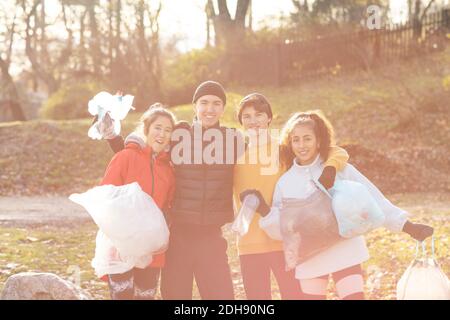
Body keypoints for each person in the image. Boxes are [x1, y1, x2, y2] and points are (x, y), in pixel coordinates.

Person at [245, 110, 434, 300]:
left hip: (345, 251)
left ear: (318, 141)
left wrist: (407, 226)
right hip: (310, 260)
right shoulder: (285, 182)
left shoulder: (337, 168)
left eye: (307, 139)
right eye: (296, 140)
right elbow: (284, 230)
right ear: (289, 143)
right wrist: (265, 211)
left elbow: (372, 198)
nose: (301, 145)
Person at [107, 81, 240, 299]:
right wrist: (115, 140)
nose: (210, 109)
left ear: (223, 108)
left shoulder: (232, 141)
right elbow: (146, 154)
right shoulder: (179, 136)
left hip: (212, 237)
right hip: (178, 236)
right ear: (195, 105)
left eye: (217, 103)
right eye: (204, 103)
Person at [234, 93, 350, 300]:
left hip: (286, 242)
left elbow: (334, 152)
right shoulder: (234, 154)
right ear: (240, 121)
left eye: (259, 115)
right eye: (247, 116)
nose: (253, 121)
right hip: (248, 244)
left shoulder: (284, 150)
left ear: (269, 118)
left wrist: (331, 168)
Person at [100, 104, 176, 299]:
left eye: (168, 130)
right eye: (158, 128)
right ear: (146, 129)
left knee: (145, 297)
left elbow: (169, 204)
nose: (162, 134)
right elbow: (107, 195)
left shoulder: (168, 169)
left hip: (152, 250)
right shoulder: (125, 157)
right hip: (121, 247)